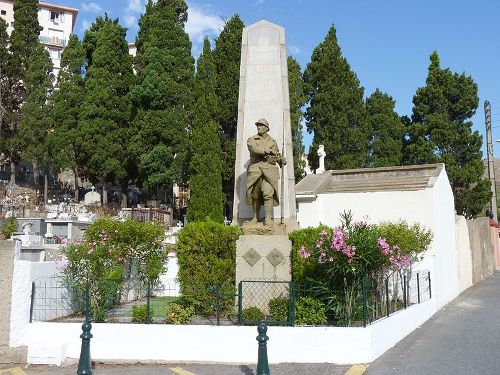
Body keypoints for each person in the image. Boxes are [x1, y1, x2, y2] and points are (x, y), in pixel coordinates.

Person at [246, 118, 286, 226]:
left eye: (261, 125)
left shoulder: (272, 142)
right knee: (255, 195)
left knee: (268, 193)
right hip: (256, 169)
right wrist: (268, 150)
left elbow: (276, 155)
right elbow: (254, 149)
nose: (258, 127)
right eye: (258, 125)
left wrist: (281, 160)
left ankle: (268, 218)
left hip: (269, 170)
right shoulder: (252, 139)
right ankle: (255, 217)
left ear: (266, 128)